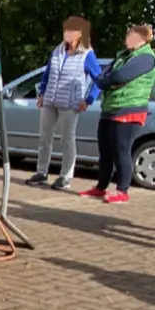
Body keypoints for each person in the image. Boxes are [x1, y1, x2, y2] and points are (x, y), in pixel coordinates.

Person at [79, 25, 155, 204]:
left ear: (143, 39)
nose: (128, 38)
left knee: (121, 150)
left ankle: (122, 191)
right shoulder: (123, 55)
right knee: (105, 151)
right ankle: (101, 187)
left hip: (129, 109)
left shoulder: (145, 57)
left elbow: (118, 77)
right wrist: (109, 81)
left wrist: (111, 81)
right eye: (128, 34)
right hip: (110, 108)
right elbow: (102, 77)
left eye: (132, 35)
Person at [26, 16, 102, 191]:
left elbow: (99, 79)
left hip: (70, 103)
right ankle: (41, 172)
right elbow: (48, 73)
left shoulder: (86, 54)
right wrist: (42, 93)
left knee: (67, 140)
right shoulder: (57, 51)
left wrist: (89, 99)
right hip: (50, 100)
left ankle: (65, 176)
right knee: (44, 138)